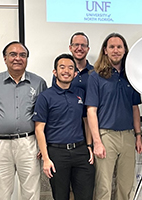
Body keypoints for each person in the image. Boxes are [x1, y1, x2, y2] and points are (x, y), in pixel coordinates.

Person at [0, 41, 47, 200]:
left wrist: (43, 145)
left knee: (32, 192)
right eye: (13, 54)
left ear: (27, 59)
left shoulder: (38, 83)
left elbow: (45, 117)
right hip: (0, 145)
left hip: (29, 143)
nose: (18, 58)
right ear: (5, 58)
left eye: (22, 55)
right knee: (2, 192)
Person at [86, 33, 142, 200]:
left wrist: (138, 136)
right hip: (106, 136)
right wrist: (97, 142)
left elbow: (135, 108)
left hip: (127, 136)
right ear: (105, 50)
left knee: (126, 186)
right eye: (111, 47)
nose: (116, 50)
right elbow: (91, 111)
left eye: (119, 47)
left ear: (125, 50)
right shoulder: (96, 76)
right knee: (103, 186)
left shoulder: (131, 76)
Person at [33, 54, 95, 200]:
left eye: (70, 68)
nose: (66, 71)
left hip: (81, 151)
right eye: (62, 67)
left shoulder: (80, 94)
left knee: (86, 196)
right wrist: (46, 158)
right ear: (55, 72)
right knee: (60, 196)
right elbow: (39, 129)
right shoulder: (45, 96)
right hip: (57, 153)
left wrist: (89, 146)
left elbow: (86, 121)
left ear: (75, 73)